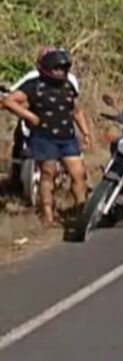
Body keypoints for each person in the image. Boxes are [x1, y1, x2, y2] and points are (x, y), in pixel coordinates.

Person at [2, 48, 93, 227]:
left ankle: (81, 212)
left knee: (78, 174)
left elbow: (76, 110)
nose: (61, 71)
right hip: (44, 137)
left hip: (67, 137)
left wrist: (86, 133)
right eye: (57, 68)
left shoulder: (68, 85)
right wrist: (29, 116)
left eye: (64, 68)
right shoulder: (34, 85)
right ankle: (47, 214)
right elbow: (9, 101)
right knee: (47, 175)